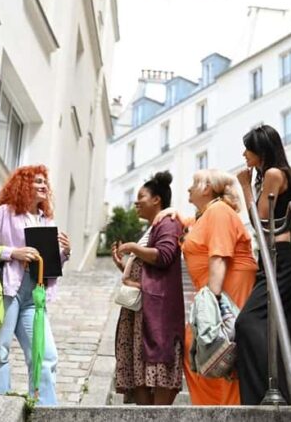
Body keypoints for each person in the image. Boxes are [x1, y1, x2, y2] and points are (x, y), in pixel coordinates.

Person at [234, 125, 291, 406]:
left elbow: (260, 222)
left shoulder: (273, 174)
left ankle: (271, 391)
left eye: (248, 149)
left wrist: (245, 187)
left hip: (279, 259)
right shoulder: (273, 174)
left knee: (247, 323)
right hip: (273, 259)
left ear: (261, 151)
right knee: (286, 331)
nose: (244, 154)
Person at [0, 165, 71, 406]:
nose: (44, 185)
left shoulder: (46, 220)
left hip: (35, 295)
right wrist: (14, 253)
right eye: (38, 181)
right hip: (7, 290)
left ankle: (44, 409)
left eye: (45, 182)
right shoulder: (4, 213)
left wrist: (65, 252)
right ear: (23, 184)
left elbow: (50, 262)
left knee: (46, 354)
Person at [177, 169, 258, 404]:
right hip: (215, 289)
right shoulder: (206, 214)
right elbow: (191, 226)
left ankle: (228, 409)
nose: (189, 188)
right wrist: (172, 214)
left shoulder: (219, 211)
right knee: (200, 348)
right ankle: (211, 409)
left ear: (207, 188)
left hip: (227, 289)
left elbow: (219, 256)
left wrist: (213, 301)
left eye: (194, 183)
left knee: (223, 347)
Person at [112, 171, 184, 405]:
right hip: (142, 308)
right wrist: (124, 265)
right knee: (140, 371)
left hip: (155, 313)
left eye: (141, 197)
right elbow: (148, 267)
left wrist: (133, 248)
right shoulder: (154, 227)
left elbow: (164, 255)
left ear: (157, 199)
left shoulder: (168, 223)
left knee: (156, 365)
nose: (136, 202)